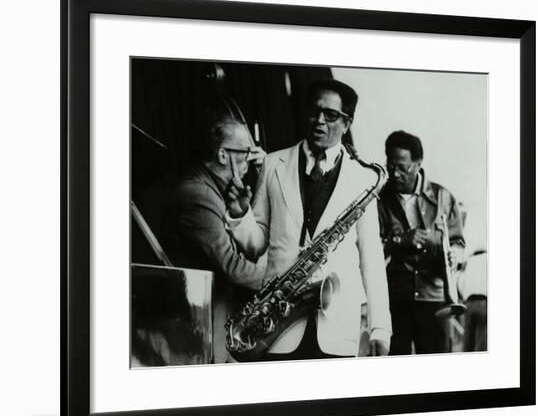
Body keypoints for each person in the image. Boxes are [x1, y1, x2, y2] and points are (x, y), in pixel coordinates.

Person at [226, 79, 392, 360]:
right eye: (315, 112)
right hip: (277, 326)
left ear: (347, 123)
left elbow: (372, 261)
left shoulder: (363, 178)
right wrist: (240, 214)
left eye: (331, 115)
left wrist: (380, 330)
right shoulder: (273, 164)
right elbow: (256, 246)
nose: (319, 121)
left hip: (337, 326)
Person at [161, 115, 266, 363]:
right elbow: (232, 266)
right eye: (246, 153)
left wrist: (239, 212)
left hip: (216, 324)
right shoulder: (198, 195)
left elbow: (246, 253)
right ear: (222, 156)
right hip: (199, 332)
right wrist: (278, 278)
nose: (251, 161)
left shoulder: (214, 189)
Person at [377, 130, 466, 355]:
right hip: (396, 299)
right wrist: (399, 240)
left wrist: (455, 254)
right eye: (390, 166)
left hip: (435, 300)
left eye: (402, 167)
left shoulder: (444, 197)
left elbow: (459, 243)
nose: (394, 174)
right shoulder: (379, 199)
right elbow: (370, 250)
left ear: (418, 164)